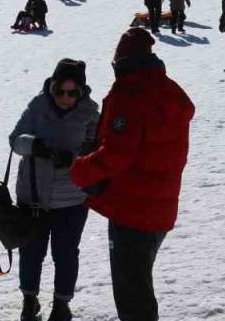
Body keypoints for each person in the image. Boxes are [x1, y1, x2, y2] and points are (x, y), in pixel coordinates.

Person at [70, 28, 194, 321]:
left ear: (121, 61)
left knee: (132, 296)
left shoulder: (129, 93)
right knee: (140, 286)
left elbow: (116, 154)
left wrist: (80, 169)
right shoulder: (169, 90)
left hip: (132, 211)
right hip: (161, 206)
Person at [9, 59, 99, 321]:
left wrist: (72, 159)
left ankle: (61, 305)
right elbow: (15, 139)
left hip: (72, 199)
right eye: (60, 91)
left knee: (66, 254)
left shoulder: (90, 113)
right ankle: (29, 301)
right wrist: (33, 145)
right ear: (52, 87)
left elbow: (97, 150)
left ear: (81, 92)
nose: (65, 98)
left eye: (72, 93)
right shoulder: (37, 106)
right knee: (30, 252)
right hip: (33, 196)